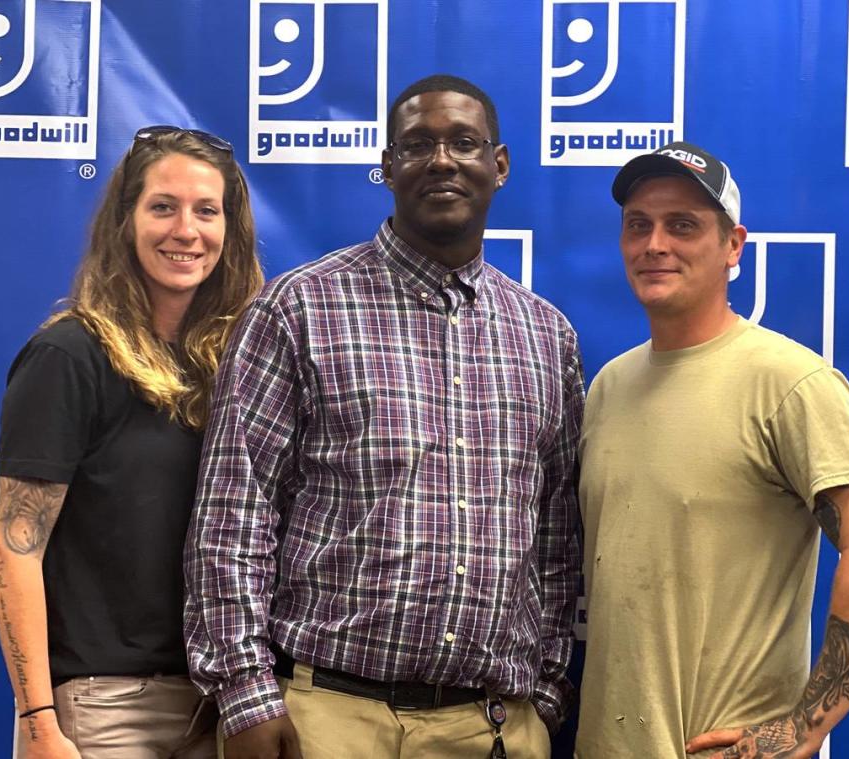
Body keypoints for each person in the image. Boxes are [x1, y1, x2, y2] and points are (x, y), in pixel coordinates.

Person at [183, 74, 583, 759]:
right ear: (388, 166)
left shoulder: (546, 336)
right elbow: (234, 514)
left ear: (500, 164)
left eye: (464, 142)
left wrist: (544, 696)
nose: (442, 160)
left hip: (492, 728)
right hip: (329, 722)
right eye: (418, 144)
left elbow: (556, 538)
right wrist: (245, 691)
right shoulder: (299, 311)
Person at [575, 141, 849, 759]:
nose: (655, 244)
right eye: (638, 225)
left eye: (682, 225)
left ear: (733, 246)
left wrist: (803, 728)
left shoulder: (789, 382)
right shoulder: (609, 386)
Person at [0, 126, 264, 759]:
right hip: (104, 710)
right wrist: (38, 722)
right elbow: (15, 547)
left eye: (206, 210)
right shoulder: (69, 356)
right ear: (125, 219)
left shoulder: (242, 366)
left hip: (226, 707)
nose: (186, 231)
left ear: (231, 229)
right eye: (162, 206)